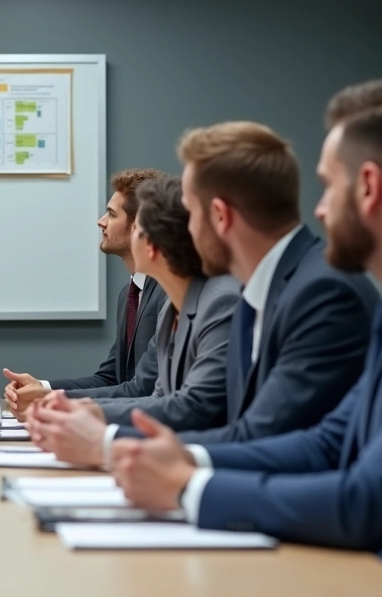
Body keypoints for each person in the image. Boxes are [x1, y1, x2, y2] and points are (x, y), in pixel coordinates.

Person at [111, 80, 382, 597]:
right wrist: (185, 460)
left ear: (370, 188)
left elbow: (367, 499)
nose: (322, 210)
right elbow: (329, 442)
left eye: (330, 187)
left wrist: (188, 486)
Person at [27, 120, 379, 464]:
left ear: (220, 216)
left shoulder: (319, 291)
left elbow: (261, 433)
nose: (180, 232)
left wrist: (106, 442)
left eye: (190, 214)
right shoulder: (273, 284)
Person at [26, 176, 239, 467]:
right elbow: (158, 395)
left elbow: (196, 408)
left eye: (136, 228)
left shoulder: (218, 299)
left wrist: (93, 422)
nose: (101, 223)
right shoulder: (173, 307)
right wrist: (74, 408)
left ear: (150, 243)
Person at [2, 168, 170, 420]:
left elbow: (143, 388)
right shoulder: (130, 293)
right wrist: (42, 387)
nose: (101, 221)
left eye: (112, 214)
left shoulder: (168, 294)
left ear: (137, 228)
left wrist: (49, 399)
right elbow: (111, 378)